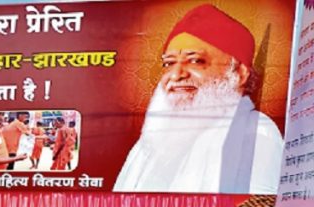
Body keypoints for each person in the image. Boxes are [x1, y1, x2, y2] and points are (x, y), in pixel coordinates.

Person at [114, 4, 283, 194]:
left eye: (195, 61)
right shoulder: (151, 141)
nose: (176, 75)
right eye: (169, 63)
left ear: (239, 73)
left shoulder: (254, 132)